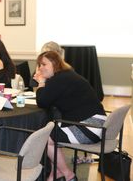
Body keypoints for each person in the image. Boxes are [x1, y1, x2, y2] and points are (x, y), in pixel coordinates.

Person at [34, 51, 106, 181]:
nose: (40, 68)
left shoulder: (58, 79)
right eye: (39, 65)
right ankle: (55, 173)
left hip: (90, 127)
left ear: (55, 64)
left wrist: (41, 83)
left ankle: (68, 175)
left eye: (44, 64)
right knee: (50, 128)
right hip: (97, 122)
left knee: (46, 138)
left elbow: (42, 102)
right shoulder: (65, 75)